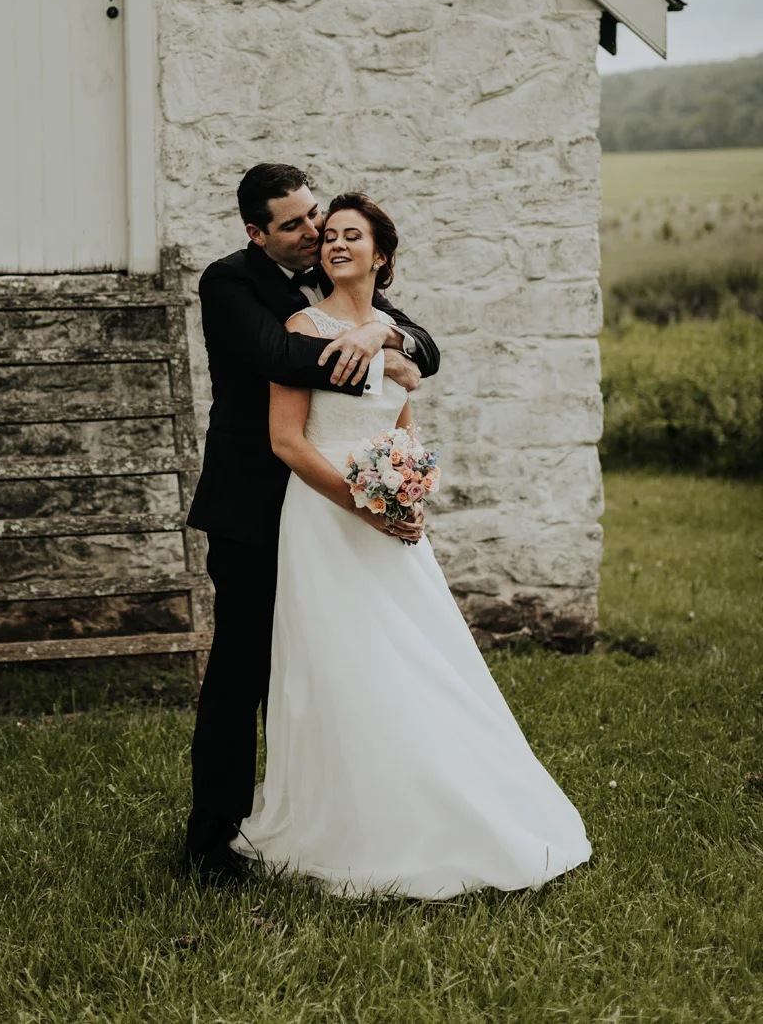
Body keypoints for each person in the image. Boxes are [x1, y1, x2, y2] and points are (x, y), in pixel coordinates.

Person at [231, 191, 592, 899]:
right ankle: (344, 825)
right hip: (326, 518)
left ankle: (446, 805)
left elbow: (403, 428)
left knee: (423, 660)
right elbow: (286, 442)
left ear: (380, 254)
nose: (334, 244)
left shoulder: (398, 338)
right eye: (327, 235)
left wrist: (409, 492)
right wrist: (364, 504)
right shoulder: (298, 326)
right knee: (340, 667)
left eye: (350, 235)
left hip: (392, 522)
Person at [184, 164, 440, 886]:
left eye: (315, 216)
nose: (312, 232)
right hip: (251, 510)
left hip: (328, 514)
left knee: (332, 670)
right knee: (242, 674)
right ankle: (213, 839)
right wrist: (372, 353)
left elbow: (427, 344)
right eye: (294, 224)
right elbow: (276, 355)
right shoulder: (228, 282)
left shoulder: (350, 292)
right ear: (255, 232)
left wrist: (393, 342)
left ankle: (342, 813)